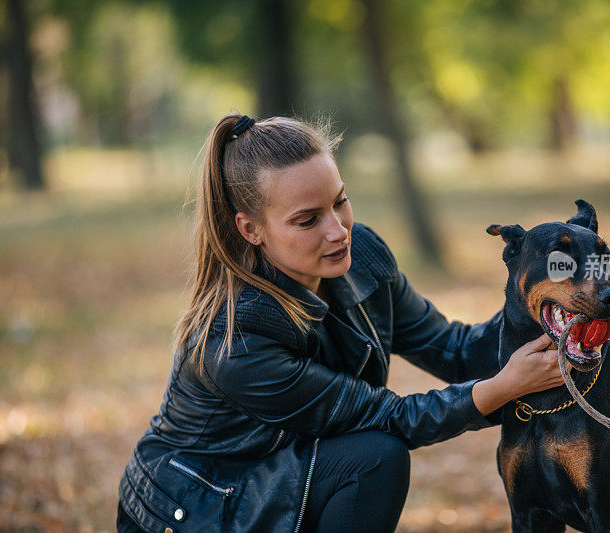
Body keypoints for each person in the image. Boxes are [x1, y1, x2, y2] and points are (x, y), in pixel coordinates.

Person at [116, 113, 564, 532]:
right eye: (307, 220)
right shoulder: (234, 339)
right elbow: (389, 418)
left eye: (340, 201)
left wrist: (556, 315)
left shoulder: (362, 257)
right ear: (251, 229)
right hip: (193, 507)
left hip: (286, 471)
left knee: (371, 455)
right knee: (375, 458)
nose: (337, 230)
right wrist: (504, 387)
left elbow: (455, 350)